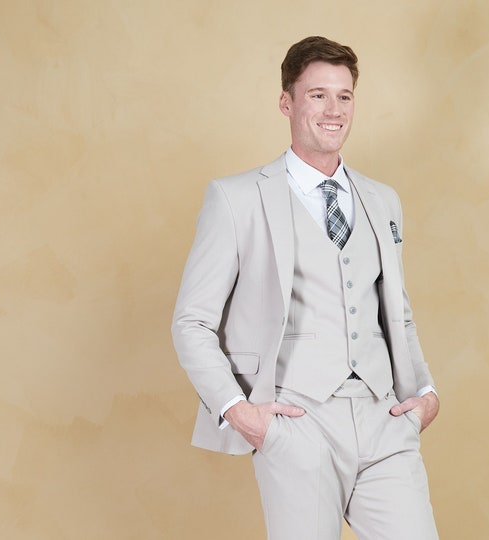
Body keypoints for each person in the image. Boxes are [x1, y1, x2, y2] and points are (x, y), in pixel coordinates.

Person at [172, 36, 440, 540]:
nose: (334, 110)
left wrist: (425, 393)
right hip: (297, 422)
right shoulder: (235, 199)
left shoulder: (383, 200)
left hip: (384, 420)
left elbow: (396, 313)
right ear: (286, 102)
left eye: (344, 96)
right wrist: (238, 411)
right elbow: (192, 321)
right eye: (318, 95)